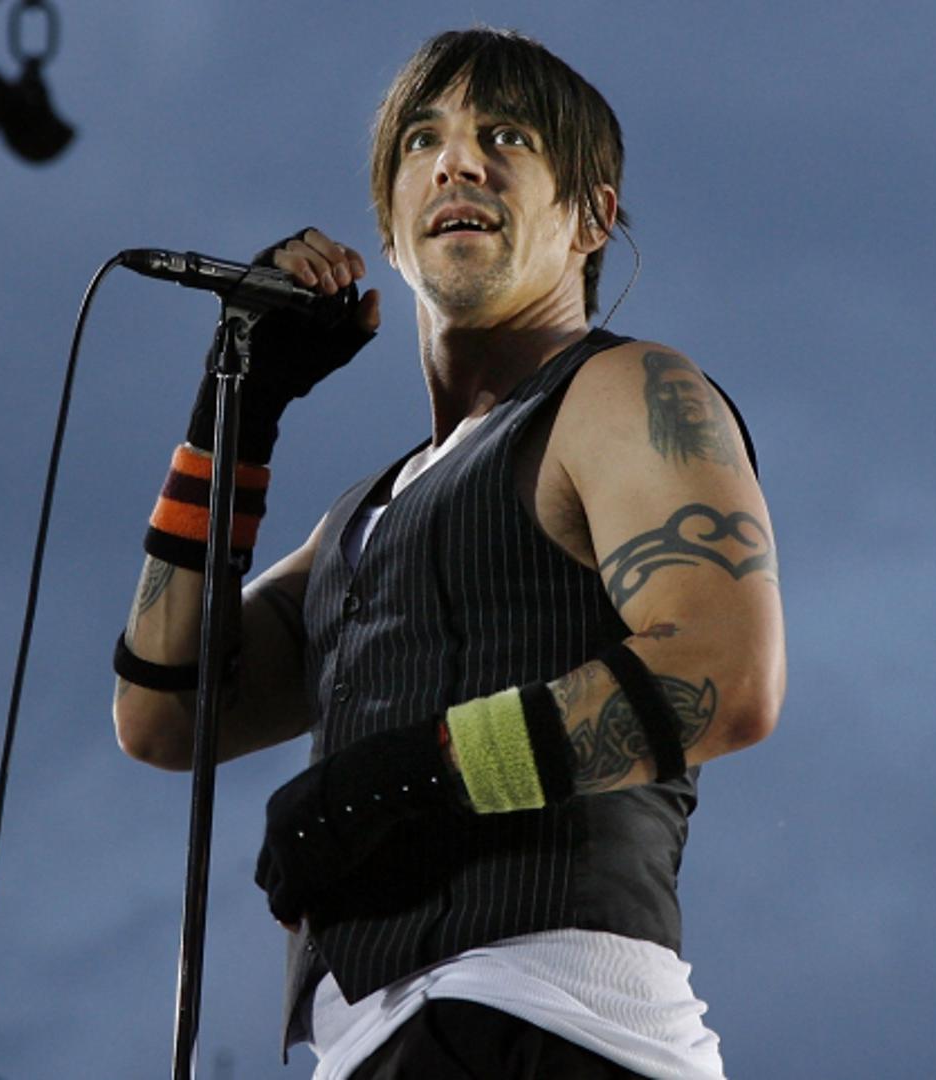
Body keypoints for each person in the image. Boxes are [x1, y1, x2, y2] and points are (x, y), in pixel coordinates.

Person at [112, 27, 785, 1080]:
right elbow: (163, 715)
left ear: (591, 217)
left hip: (549, 1019)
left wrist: (415, 778)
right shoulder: (361, 519)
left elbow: (725, 674)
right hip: (377, 1041)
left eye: (506, 136)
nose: (458, 161)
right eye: (423, 140)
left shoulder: (623, 391)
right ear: (389, 228)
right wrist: (233, 416)